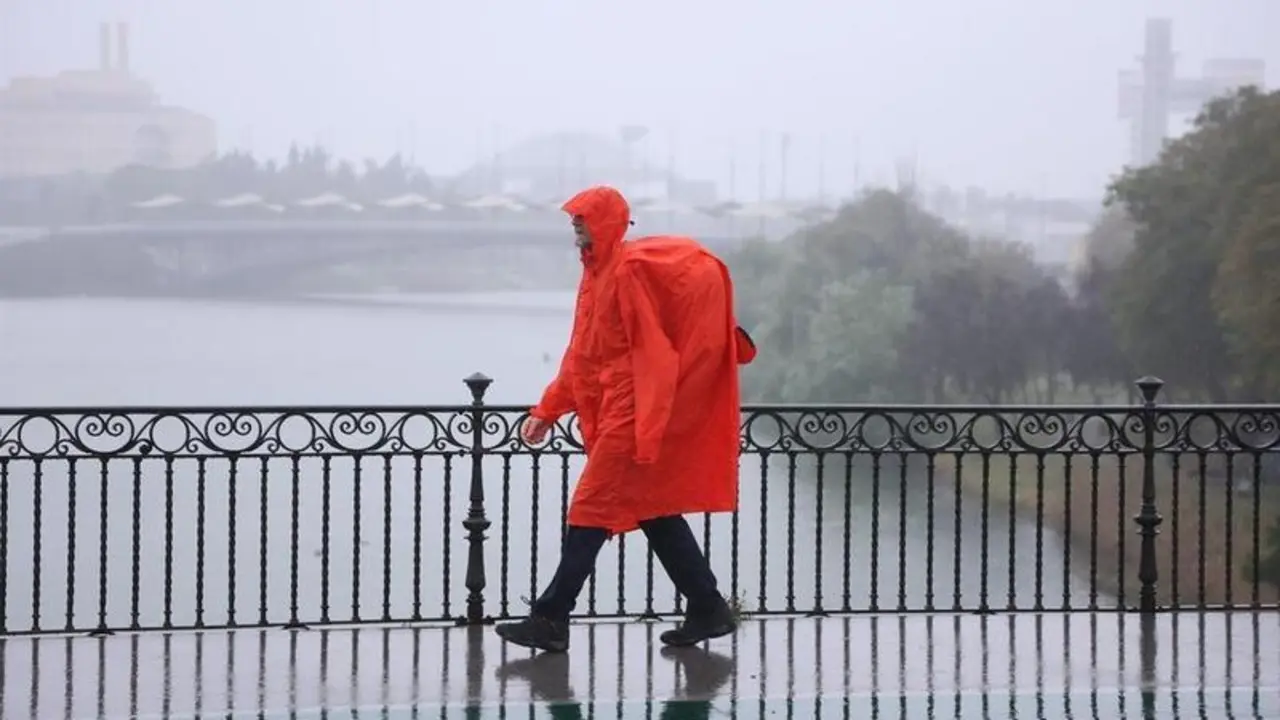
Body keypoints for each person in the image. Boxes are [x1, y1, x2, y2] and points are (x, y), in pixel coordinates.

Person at [495, 185, 758, 653]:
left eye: (583, 217)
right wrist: (548, 411)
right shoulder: (595, 278)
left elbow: (653, 350)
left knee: (590, 508)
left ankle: (550, 618)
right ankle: (708, 607)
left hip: (632, 413)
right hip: (620, 408)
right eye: (573, 217)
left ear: (607, 222)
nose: (575, 223)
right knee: (654, 511)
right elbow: (583, 358)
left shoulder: (628, 272)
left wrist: (657, 406)